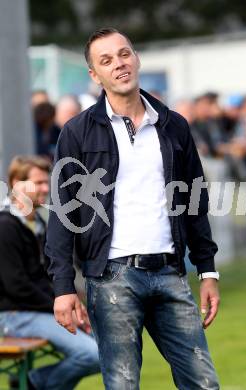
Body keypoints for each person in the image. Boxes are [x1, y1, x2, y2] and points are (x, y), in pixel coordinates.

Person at [45, 28, 220, 389]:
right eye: (106, 60)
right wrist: (63, 287)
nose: (119, 64)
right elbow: (63, 214)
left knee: (203, 383)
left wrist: (207, 271)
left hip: (171, 273)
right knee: (123, 386)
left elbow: (194, 202)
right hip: (112, 279)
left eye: (124, 54)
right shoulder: (77, 133)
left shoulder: (174, 126)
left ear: (136, 58)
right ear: (95, 75)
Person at [0, 156, 100, 390]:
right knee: (93, 355)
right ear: (16, 183)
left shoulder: (37, 223)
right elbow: (17, 286)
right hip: (13, 315)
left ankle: (34, 383)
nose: (45, 189)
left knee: (107, 346)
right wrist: (59, 308)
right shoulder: (5, 227)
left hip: (36, 311)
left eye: (48, 182)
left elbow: (48, 276)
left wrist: (71, 303)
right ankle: (33, 383)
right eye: (38, 182)